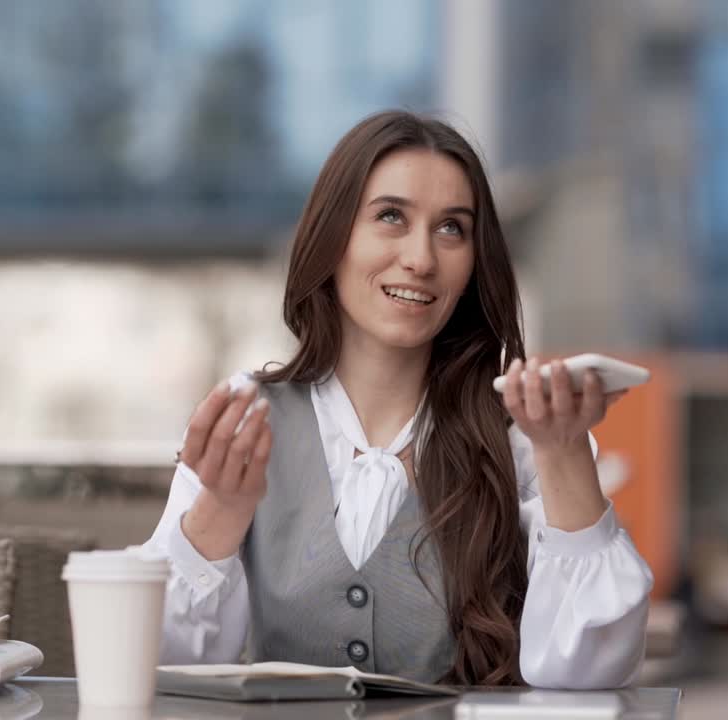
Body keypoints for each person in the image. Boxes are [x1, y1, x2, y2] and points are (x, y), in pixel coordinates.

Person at [142, 110, 653, 688]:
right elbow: (157, 664)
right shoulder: (246, 416)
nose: (421, 259)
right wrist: (221, 512)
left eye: (451, 228)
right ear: (333, 237)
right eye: (390, 216)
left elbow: (587, 676)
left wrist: (564, 456)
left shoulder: (524, 436)